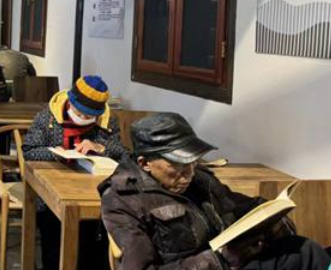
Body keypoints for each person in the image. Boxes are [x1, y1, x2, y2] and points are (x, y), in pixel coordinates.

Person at [99, 112, 331, 270]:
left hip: (231, 261)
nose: (189, 173)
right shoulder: (122, 199)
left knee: (304, 249)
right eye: (178, 165)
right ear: (145, 163)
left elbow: (240, 206)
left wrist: (273, 218)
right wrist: (219, 260)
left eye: (192, 161)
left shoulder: (199, 178)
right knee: (306, 256)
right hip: (213, 264)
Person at [22, 75, 129, 270]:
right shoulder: (48, 117)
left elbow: (123, 154)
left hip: (91, 190)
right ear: (70, 102)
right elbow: (28, 151)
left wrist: (99, 146)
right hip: (51, 189)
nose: (83, 120)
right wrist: (55, 153)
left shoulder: (106, 121)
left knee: (94, 236)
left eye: (89, 117)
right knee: (53, 236)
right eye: (80, 114)